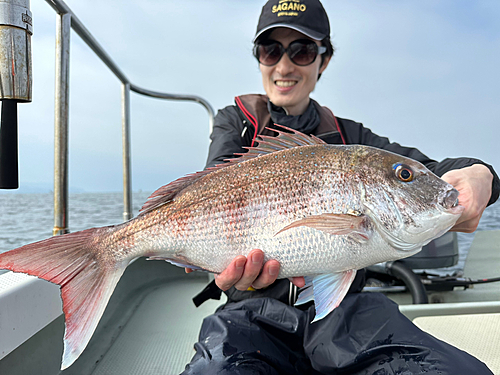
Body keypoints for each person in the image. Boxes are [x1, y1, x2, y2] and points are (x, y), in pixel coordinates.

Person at [182, 1, 500, 374]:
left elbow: (432, 170)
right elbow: (207, 194)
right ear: (259, 58)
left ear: (324, 59)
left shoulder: (351, 138)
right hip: (251, 311)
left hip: (346, 315)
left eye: (301, 51)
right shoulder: (236, 124)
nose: (284, 66)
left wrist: (483, 175)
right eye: (270, 50)